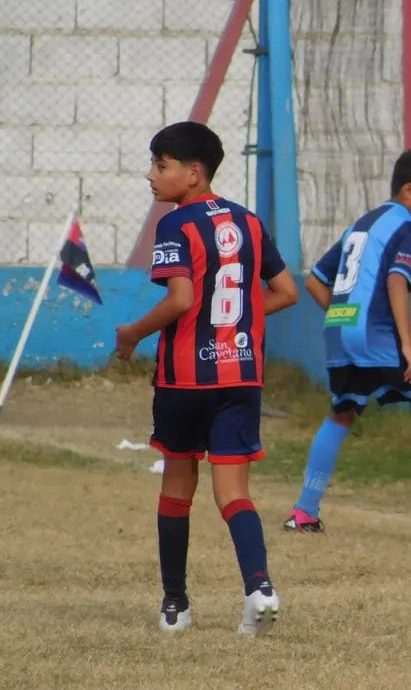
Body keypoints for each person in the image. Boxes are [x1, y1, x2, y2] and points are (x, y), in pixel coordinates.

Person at [114, 121, 299, 635]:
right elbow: (286, 292)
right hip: (241, 374)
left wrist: (132, 334)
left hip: (186, 380)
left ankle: (175, 605)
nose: (151, 175)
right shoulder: (249, 221)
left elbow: (181, 300)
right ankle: (260, 587)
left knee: (178, 486)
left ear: (194, 173)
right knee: (234, 491)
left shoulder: (176, 224)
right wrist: (237, 320)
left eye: (161, 165)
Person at [283, 149, 411, 547]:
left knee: (341, 416)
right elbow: (395, 282)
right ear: (409, 191)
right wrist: (408, 348)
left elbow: (315, 282)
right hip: (376, 335)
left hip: (339, 333)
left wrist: (343, 317)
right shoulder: (408, 226)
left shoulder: (363, 224)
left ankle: (304, 512)